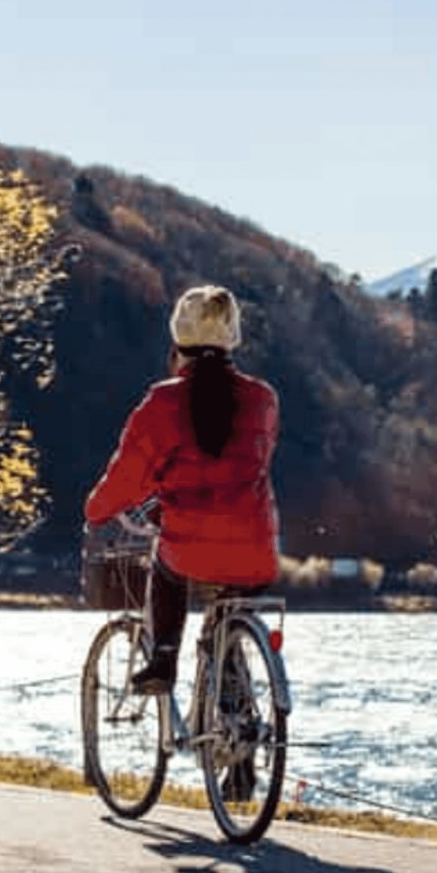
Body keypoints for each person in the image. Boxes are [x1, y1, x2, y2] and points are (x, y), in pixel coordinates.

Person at [85, 285, 280, 694]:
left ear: (178, 340)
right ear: (233, 337)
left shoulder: (163, 401)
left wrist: (97, 511)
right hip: (257, 548)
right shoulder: (262, 399)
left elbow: (129, 473)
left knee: (167, 568)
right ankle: (232, 697)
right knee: (230, 607)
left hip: (189, 549)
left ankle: (163, 661)